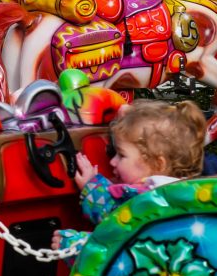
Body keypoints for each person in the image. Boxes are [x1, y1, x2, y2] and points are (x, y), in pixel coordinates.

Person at [53, 99, 206, 253]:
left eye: (121, 155)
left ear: (158, 164)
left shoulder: (149, 202)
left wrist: (71, 244)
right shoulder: (180, 198)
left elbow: (115, 233)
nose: (112, 161)